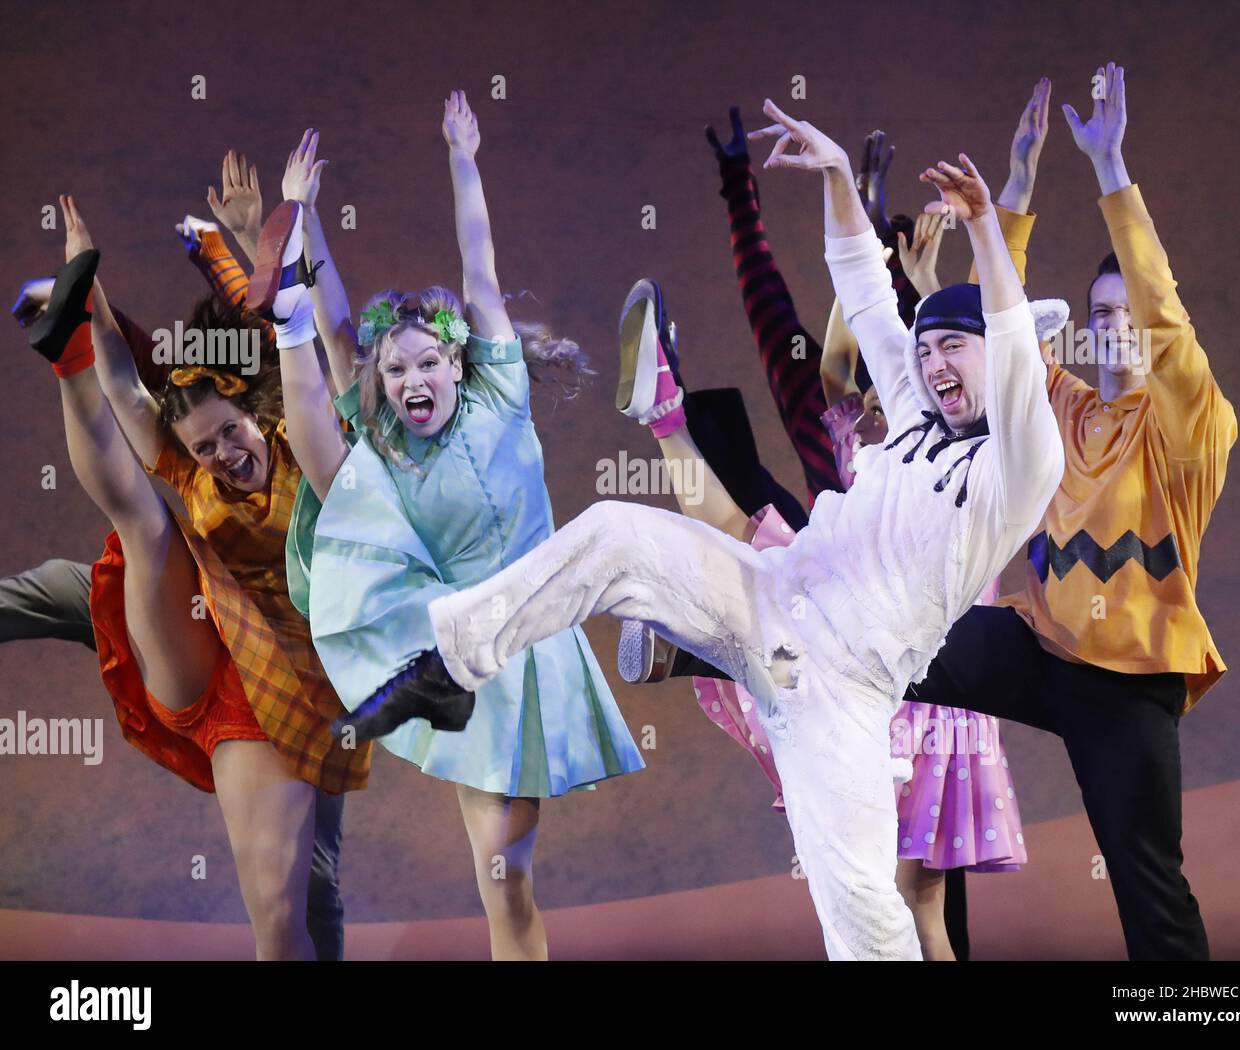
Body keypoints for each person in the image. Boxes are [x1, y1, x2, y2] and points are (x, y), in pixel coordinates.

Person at [335, 98, 1066, 961]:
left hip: (842, 688)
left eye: (956, 348)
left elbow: (1016, 353)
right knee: (613, 532)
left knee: (867, 915)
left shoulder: (1019, 469)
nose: (933, 362)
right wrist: (836, 177)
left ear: (997, 357)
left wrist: (985, 229)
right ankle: (449, 666)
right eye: (930, 347)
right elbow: (864, 285)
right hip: (770, 593)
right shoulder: (910, 411)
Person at [264, 99, 644, 962]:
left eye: (425, 361)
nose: (409, 379)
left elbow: (479, 266)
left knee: (516, 866)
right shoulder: (392, 445)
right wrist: (306, 216)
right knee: (499, 869)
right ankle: (278, 324)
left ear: (457, 359)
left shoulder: (500, 392)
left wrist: (462, 157)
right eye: (393, 370)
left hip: (536, 633)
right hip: (459, 649)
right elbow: (338, 324)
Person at [906, 63, 1236, 960]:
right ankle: (702, 646)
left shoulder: (1187, 426)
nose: (1117, 325)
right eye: (1100, 313)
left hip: (1130, 683)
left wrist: (1109, 172)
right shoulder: (1066, 408)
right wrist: (1008, 191)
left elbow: (1164, 317)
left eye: (1127, 310)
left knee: (1150, 891)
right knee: (887, 639)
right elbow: (1000, 324)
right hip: (1044, 647)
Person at [4, 182, 351, 960]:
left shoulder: (307, 445)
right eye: (205, 448)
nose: (226, 458)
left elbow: (297, 338)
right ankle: (64, 360)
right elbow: (130, 389)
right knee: (138, 528)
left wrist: (236, 236)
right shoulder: (196, 472)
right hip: (201, 643)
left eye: (232, 436)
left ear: (259, 416)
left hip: (294, 688)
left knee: (296, 894)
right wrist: (84, 298)